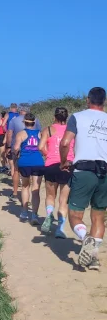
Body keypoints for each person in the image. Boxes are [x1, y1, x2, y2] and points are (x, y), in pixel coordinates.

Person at [60, 87, 107, 271]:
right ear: (103, 101)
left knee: (75, 215)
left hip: (84, 170)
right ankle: (93, 258)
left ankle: (84, 237)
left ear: (88, 100)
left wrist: (64, 161)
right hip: (105, 172)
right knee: (98, 217)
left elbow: (65, 142)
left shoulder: (77, 117)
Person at [38, 107, 74, 238]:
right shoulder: (72, 130)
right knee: (63, 200)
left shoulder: (47, 130)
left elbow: (41, 147)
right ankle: (60, 228)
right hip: (67, 166)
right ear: (66, 118)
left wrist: (49, 155)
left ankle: (48, 215)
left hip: (51, 165)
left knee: (50, 196)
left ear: (54, 117)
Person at [13, 112, 45, 224]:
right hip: (38, 162)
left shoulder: (21, 134)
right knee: (36, 189)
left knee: (25, 186)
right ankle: (34, 215)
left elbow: (16, 148)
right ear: (34, 122)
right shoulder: (40, 134)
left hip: (25, 162)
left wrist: (14, 153)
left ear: (24, 122)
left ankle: (24, 211)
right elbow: (44, 148)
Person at [6, 107, 41, 199]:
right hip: (35, 151)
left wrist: (9, 146)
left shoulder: (13, 120)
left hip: (19, 149)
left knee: (16, 170)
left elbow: (9, 134)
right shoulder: (36, 120)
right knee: (35, 183)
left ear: (20, 111)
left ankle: (15, 193)